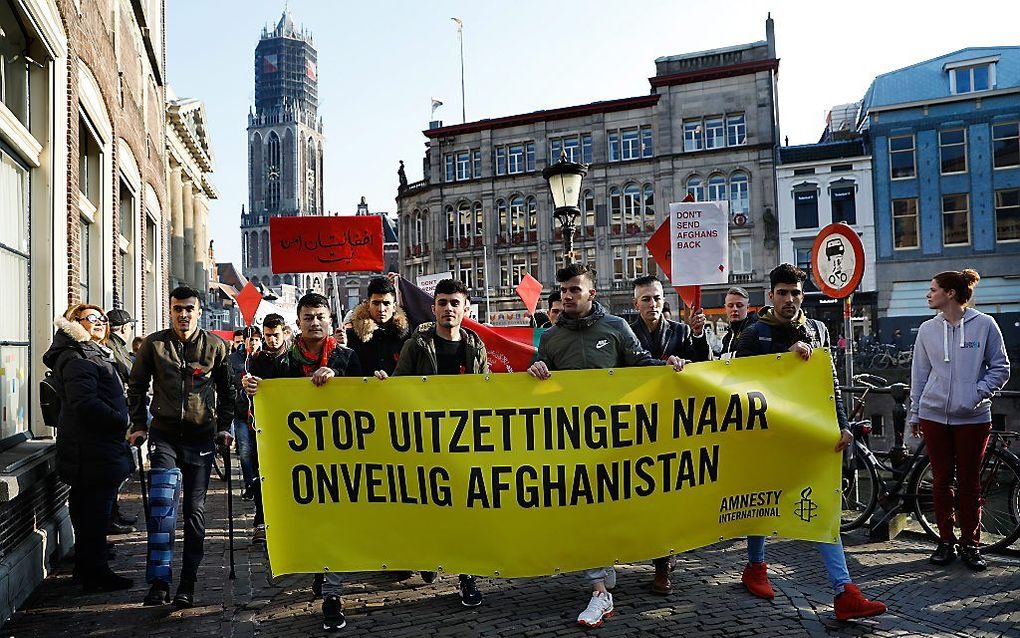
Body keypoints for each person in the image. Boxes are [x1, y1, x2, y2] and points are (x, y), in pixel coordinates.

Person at [526, 263, 686, 628]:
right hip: (573, 444)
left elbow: (642, 365)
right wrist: (535, 370)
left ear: (591, 294)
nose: (567, 296)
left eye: (574, 290)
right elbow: (537, 382)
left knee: (625, 508)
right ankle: (599, 590)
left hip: (619, 442)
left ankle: (639, 566)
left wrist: (668, 365)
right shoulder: (550, 337)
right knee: (584, 511)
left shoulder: (615, 327)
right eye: (563, 290)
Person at [734, 264, 886, 621]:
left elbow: (829, 383)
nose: (790, 299)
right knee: (761, 503)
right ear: (770, 295)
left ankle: (844, 591)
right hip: (768, 439)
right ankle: (755, 567)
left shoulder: (817, 329)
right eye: (783, 292)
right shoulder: (753, 334)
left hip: (811, 435)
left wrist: (844, 424)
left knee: (823, 507)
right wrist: (785, 361)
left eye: (796, 293)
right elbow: (737, 385)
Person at [243, 293, 362, 632]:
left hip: (341, 457)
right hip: (297, 460)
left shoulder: (348, 358)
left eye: (319, 316)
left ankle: (332, 591)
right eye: (307, 317)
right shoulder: (279, 363)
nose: (314, 322)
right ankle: (318, 569)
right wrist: (251, 389)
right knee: (309, 519)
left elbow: (370, 396)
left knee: (335, 519)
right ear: (298, 322)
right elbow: (258, 401)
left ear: (329, 319)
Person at [377, 278, 487, 608]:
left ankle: (467, 575)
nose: (448, 308)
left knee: (466, 510)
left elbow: (487, 391)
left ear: (465, 309)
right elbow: (400, 385)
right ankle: (427, 555)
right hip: (424, 441)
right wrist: (386, 385)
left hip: (465, 441)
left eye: (455, 303)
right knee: (428, 504)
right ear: (433, 307)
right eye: (442, 302)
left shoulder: (475, 345)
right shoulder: (418, 345)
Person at [127, 286, 235, 609]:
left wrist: (225, 427)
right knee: (162, 507)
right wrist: (138, 424)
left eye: (189, 309)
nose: (183, 314)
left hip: (201, 438)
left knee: (194, 513)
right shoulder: (154, 345)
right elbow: (136, 385)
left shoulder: (217, 346)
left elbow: (228, 391)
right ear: (170, 311)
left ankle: (187, 582)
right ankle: (159, 582)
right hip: (165, 437)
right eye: (177, 309)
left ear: (199, 312)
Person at [908, 269, 1010, 570]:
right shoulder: (927, 329)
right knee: (940, 481)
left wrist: (975, 395)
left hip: (974, 418)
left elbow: (1001, 368)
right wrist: (916, 412)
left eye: (933, 289)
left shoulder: (985, 325)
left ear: (950, 293)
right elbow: (919, 375)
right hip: (934, 415)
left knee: (969, 482)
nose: (929, 294)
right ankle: (945, 541)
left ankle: (971, 545)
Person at [43, 304, 134, 593]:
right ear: (75, 323)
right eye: (90, 318)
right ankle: (95, 572)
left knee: (89, 509)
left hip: (94, 447)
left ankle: (88, 565)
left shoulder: (89, 351)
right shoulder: (78, 357)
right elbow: (84, 403)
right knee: (94, 511)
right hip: (93, 448)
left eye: (101, 318)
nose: (98, 322)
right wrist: (121, 420)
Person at [628, 275, 711, 594]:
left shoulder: (679, 331)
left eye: (658, 298)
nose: (653, 304)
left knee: (667, 494)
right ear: (636, 303)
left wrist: (699, 334)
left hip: (673, 427)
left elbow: (704, 364)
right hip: (636, 423)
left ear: (665, 301)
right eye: (646, 299)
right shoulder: (627, 332)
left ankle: (663, 564)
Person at [242, 314, 290, 544]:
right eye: (268, 335)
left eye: (276, 335)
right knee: (262, 474)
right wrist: (246, 385)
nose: (272, 340)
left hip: (290, 426)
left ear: (285, 333)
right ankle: (261, 520)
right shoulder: (255, 359)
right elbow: (249, 389)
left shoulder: (294, 357)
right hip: (261, 425)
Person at [105, 308, 140, 534]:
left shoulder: (116, 346)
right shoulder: (112, 347)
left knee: (118, 469)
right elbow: (128, 372)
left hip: (119, 413)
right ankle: (110, 517)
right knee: (114, 471)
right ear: (125, 328)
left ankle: (113, 514)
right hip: (115, 417)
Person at [346, 276, 410, 376]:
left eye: (386, 303)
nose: (381, 309)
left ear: (394, 307)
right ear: (368, 305)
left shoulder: (407, 336)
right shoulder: (351, 336)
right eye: (376, 303)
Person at [227, 327, 262, 503]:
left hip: (261, 414)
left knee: (259, 451)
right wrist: (241, 391)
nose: (253, 343)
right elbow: (230, 385)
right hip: (241, 413)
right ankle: (250, 485)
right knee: (245, 451)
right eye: (251, 340)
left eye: (257, 340)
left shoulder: (264, 359)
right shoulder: (234, 360)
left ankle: (259, 483)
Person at [719, 286, 757, 359]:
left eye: (739, 306)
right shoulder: (727, 338)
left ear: (747, 307)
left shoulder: (755, 331)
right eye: (730, 306)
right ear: (725, 308)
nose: (735, 309)